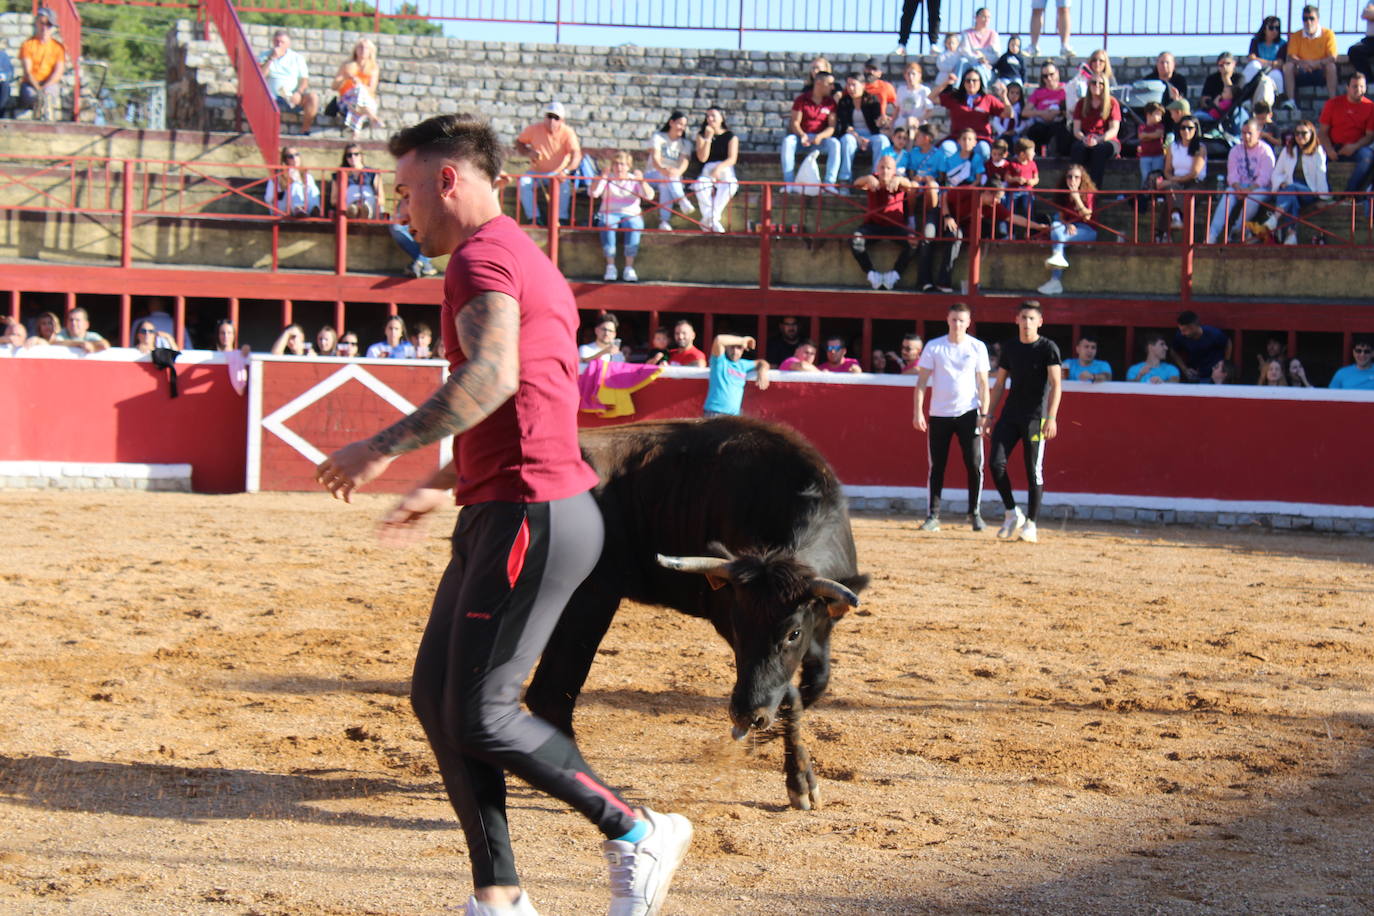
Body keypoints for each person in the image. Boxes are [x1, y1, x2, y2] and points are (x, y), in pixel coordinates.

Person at [313, 113, 693, 916]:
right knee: (436, 697)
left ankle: (636, 828)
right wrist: (443, 480)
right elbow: (527, 397)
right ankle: (499, 894)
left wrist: (380, 448)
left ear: (449, 181)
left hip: (532, 510)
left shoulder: (479, 258)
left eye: (409, 190)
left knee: (481, 713)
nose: (402, 209)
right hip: (515, 502)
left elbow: (488, 381)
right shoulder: (518, 254)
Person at [984, 300, 1061, 544]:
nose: (1027, 322)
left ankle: (1032, 523)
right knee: (995, 463)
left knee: (1032, 471)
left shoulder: (1048, 348)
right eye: (1023, 318)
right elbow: (998, 384)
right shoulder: (1010, 347)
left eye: (1031, 318)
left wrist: (1051, 417)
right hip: (1010, 414)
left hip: (1035, 418)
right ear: (1016, 320)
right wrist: (988, 415)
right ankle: (1011, 512)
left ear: (1040, 322)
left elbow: (1056, 384)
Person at [913, 302, 991, 532]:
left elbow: (984, 384)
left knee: (975, 464)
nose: (957, 324)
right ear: (948, 320)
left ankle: (974, 513)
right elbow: (921, 382)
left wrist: (984, 413)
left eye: (961, 320)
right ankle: (933, 515)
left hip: (969, 412)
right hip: (939, 413)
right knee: (937, 466)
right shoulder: (934, 347)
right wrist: (918, 411)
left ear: (968, 323)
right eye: (954, 319)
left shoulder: (977, 347)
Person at [344, 144, 437, 278]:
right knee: (396, 227)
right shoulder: (409, 173)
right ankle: (423, 263)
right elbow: (404, 200)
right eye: (349, 155)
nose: (353, 157)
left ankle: (420, 263)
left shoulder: (432, 174)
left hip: (430, 216)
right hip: (412, 213)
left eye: (356, 154)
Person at [1254, 121, 1328, 245]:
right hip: (1290, 191)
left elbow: (1321, 174)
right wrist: (1281, 183)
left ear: (1311, 134)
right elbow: (1276, 173)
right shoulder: (1288, 150)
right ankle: (1291, 236)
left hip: (1308, 191)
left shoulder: (1317, 151)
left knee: (1291, 188)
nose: (1300, 136)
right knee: (1291, 195)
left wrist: (1323, 197)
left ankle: (1275, 218)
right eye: (1297, 133)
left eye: (1304, 133)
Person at [850, 155, 917, 290]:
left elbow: (910, 186)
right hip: (873, 226)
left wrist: (898, 179)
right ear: (877, 168)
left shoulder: (898, 180)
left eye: (888, 168)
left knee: (914, 242)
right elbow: (856, 183)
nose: (885, 171)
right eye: (882, 167)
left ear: (894, 170)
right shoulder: (872, 179)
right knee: (855, 240)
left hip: (896, 226)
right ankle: (871, 274)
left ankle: (894, 275)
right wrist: (868, 178)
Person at [1206, 119, 1275, 244]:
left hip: (1258, 188)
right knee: (1228, 195)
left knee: (1253, 198)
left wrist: (1248, 191)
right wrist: (1238, 188)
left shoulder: (1266, 151)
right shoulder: (1235, 150)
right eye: (1243, 133)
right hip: (1238, 186)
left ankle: (1237, 231)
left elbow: (1265, 178)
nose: (1246, 136)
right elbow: (1232, 175)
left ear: (1258, 133)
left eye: (1250, 133)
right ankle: (1212, 235)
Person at [590, 151, 654, 283]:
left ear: (629, 166)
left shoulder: (633, 179)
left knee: (634, 225)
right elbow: (594, 193)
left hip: (631, 213)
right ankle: (610, 266)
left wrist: (641, 181)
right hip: (609, 212)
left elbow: (649, 196)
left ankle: (629, 267)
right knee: (607, 224)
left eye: (623, 164)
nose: (619, 168)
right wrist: (602, 177)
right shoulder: (608, 178)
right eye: (616, 164)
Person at [516, 101, 582, 226]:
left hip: (558, 173)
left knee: (565, 185)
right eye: (549, 116)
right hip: (536, 171)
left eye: (556, 117)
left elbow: (576, 155)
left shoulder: (568, 133)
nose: (552, 120)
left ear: (562, 120)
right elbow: (519, 142)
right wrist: (528, 152)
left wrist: (566, 172)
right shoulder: (534, 129)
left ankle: (561, 219)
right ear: (544, 117)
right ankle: (534, 218)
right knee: (523, 183)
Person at [782, 71, 841, 191]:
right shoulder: (801, 99)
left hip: (821, 140)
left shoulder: (830, 103)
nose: (832, 87)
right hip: (802, 138)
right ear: (819, 83)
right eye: (829, 83)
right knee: (788, 141)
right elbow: (795, 122)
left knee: (835, 143)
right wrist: (802, 135)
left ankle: (829, 184)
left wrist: (820, 136)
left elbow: (831, 127)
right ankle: (789, 183)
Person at [1317, 73, 1374, 195]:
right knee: (1315, 157)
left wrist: (1354, 147)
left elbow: (1370, 136)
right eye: (1355, 86)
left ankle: (1349, 194)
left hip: (1357, 147)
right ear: (1347, 87)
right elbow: (1322, 132)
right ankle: (1324, 194)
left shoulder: (1370, 107)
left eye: (1362, 86)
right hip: (1334, 146)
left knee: (1368, 157)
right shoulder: (1332, 104)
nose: (1359, 90)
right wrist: (1329, 149)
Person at [1154, 115, 1207, 240]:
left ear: (1196, 129)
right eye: (1183, 128)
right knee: (1172, 190)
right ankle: (1175, 218)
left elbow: (1194, 173)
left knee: (1185, 195)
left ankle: (1162, 232)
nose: (1186, 131)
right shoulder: (1173, 147)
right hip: (1176, 181)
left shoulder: (1201, 148)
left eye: (1190, 128)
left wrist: (1171, 180)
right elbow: (1167, 170)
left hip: (1195, 182)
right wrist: (1171, 180)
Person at [259, 30, 319, 135]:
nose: (279, 44)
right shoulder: (265, 56)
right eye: (277, 41)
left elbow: (304, 80)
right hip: (272, 96)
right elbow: (261, 75)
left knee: (313, 97)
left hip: (290, 95)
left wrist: (298, 92)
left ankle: (305, 130)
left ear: (288, 44)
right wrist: (271, 59)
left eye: (282, 42)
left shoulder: (297, 58)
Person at [837, 74, 892, 182]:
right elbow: (845, 125)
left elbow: (877, 122)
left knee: (883, 140)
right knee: (846, 140)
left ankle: (877, 176)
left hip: (870, 135)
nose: (851, 88)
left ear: (862, 85)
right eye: (848, 85)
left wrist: (882, 121)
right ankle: (845, 178)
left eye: (854, 85)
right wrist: (858, 138)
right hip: (852, 135)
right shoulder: (844, 102)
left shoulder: (872, 100)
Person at [939, 68, 1006, 157]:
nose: (971, 83)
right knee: (946, 148)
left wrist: (1005, 97)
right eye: (968, 80)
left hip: (980, 139)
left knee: (984, 149)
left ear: (980, 82)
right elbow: (931, 98)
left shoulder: (987, 98)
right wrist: (946, 83)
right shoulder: (954, 97)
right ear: (963, 82)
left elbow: (1009, 114)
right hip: (957, 138)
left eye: (974, 80)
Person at [1068, 74, 1121, 188]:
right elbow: (1076, 130)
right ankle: (1075, 187)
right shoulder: (1081, 103)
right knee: (1078, 149)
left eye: (1100, 83)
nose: (1097, 85)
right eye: (1093, 83)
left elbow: (1114, 129)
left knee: (1099, 150)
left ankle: (1094, 190)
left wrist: (1099, 139)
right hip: (1086, 138)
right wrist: (1084, 138)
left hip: (1107, 139)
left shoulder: (1112, 103)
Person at [691, 106, 739, 233]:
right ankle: (713, 220)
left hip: (724, 168)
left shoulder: (731, 136)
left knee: (730, 185)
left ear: (721, 118)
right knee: (700, 185)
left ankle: (709, 219)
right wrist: (708, 138)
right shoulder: (701, 136)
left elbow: (732, 158)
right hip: (707, 169)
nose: (710, 119)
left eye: (713, 116)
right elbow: (702, 158)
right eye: (708, 116)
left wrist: (718, 168)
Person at [646, 111, 696, 230]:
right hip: (652, 175)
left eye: (684, 125)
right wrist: (664, 170)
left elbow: (684, 163)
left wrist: (675, 173)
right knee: (666, 177)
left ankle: (664, 221)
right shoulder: (658, 137)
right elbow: (655, 160)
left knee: (665, 184)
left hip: (672, 178)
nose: (682, 128)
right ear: (671, 123)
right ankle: (682, 200)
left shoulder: (685, 143)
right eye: (679, 124)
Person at [1283, 6, 1339, 107]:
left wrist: (1317, 64)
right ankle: (1291, 101)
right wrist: (1303, 63)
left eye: (1311, 18)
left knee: (1331, 67)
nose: (1308, 22)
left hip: (1321, 71)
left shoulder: (1328, 34)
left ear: (1317, 19)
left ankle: (1333, 102)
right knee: (1288, 66)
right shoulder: (1296, 35)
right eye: (1305, 19)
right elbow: (1290, 56)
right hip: (1302, 71)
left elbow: (1332, 57)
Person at [702, 334, 770, 417]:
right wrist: (743, 341)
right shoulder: (720, 361)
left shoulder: (743, 365)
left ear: (743, 350)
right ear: (726, 348)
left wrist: (762, 372)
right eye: (732, 347)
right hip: (714, 412)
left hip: (733, 416)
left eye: (739, 348)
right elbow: (719, 340)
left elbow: (762, 362)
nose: (735, 351)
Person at [17, 7, 65, 121]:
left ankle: (46, 119)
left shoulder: (58, 47)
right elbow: (27, 72)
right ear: (37, 23)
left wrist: (44, 88)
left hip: (49, 84)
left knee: (48, 95)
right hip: (31, 84)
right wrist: (38, 88)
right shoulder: (28, 45)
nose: (45, 28)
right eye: (42, 23)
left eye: (48, 24)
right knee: (32, 95)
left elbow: (58, 73)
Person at [332, 37, 382, 135]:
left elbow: (371, 90)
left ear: (370, 51)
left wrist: (360, 85)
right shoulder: (347, 65)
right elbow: (334, 87)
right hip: (347, 101)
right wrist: (345, 78)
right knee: (357, 95)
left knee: (359, 91)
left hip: (366, 102)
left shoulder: (373, 68)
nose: (363, 50)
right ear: (355, 50)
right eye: (360, 47)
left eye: (366, 48)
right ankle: (372, 117)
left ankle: (355, 134)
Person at [1022, 61, 1071, 155]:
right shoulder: (1038, 92)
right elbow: (1025, 112)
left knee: (1061, 130)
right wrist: (1042, 113)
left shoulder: (1066, 89)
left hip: (1060, 122)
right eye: (1045, 76)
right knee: (1035, 130)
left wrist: (1058, 112)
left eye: (1051, 74)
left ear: (1057, 73)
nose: (1048, 78)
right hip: (1042, 123)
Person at [1171, 311, 1232, 382]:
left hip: (1215, 376)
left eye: (1184, 330)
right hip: (1195, 376)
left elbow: (1228, 342)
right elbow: (1173, 351)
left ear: (1192, 327)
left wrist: (1225, 364)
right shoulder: (1180, 336)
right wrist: (1184, 369)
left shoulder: (1213, 334)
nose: (1182, 333)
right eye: (1180, 330)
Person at [265, 146, 320, 217]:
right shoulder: (278, 174)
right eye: (290, 156)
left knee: (313, 189)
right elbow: (268, 198)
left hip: (304, 207)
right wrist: (284, 190)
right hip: (281, 208)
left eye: (297, 155)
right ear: (285, 160)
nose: (295, 158)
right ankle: (298, 209)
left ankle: (314, 210)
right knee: (295, 185)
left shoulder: (306, 175)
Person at [957, 8, 1003, 88]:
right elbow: (965, 51)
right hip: (970, 63)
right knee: (962, 62)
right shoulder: (967, 33)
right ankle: (956, 88)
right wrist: (978, 59)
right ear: (976, 18)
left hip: (987, 67)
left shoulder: (993, 34)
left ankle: (981, 91)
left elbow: (996, 55)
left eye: (988, 17)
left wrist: (983, 58)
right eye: (984, 16)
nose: (986, 20)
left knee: (979, 68)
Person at [1245, 16, 1288, 99]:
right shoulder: (1255, 41)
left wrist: (1261, 61)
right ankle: (1245, 94)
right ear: (1264, 29)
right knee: (1254, 65)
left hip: (1273, 70)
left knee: (1276, 75)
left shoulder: (1283, 44)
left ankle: (1278, 99)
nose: (1274, 31)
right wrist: (1270, 63)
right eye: (1271, 28)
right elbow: (1251, 58)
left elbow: (1279, 63)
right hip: (1259, 70)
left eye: (1277, 28)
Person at [1198, 53, 1243, 125]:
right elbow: (1204, 100)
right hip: (1212, 112)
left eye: (1228, 63)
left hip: (1231, 112)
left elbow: (1236, 97)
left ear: (1234, 64)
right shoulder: (1212, 79)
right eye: (1221, 65)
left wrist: (1226, 78)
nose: (1224, 67)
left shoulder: (1239, 78)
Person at [895, 60, 934, 129]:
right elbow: (897, 109)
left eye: (913, 74)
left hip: (917, 125)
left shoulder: (924, 91)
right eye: (908, 74)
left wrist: (918, 120)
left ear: (919, 75)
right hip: (901, 125)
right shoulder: (901, 90)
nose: (910, 76)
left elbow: (930, 111)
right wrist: (891, 123)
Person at [1136, 101, 1167, 187]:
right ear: (1149, 115)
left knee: (1157, 177)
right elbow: (1141, 136)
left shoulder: (1160, 126)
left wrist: (1147, 135)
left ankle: (1157, 195)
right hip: (1145, 156)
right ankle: (1146, 195)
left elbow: (1158, 134)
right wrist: (1151, 135)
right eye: (1157, 114)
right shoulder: (1142, 127)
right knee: (1145, 177)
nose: (1160, 117)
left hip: (1158, 156)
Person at [1352, 2, 1374, 82]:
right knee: (1354, 51)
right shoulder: (1372, 2)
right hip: (1370, 40)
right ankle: (1369, 81)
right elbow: (1365, 14)